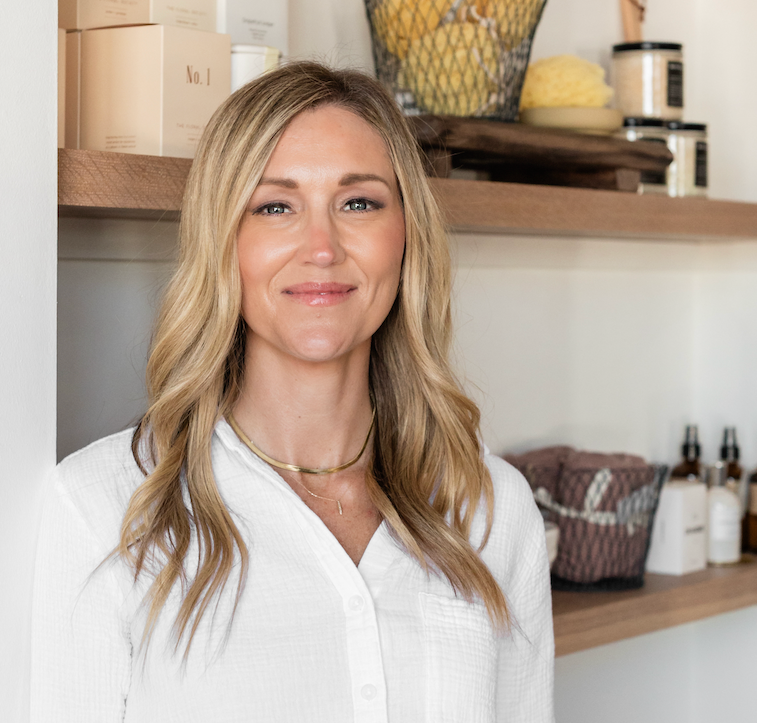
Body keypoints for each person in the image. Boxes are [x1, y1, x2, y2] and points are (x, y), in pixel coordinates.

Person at [31, 62, 554, 722]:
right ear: (224, 241)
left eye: (358, 203)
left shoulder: (491, 509)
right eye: (275, 206)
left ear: (406, 236)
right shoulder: (103, 509)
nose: (321, 248)